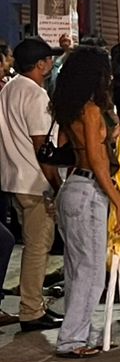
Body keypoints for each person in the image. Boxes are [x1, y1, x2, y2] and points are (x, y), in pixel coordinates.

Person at [51, 47, 120, 358]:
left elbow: (81, 147)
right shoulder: (92, 110)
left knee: (76, 270)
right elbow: (98, 163)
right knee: (91, 271)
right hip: (88, 191)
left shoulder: (69, 108)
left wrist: (109, 137)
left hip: (72, 187)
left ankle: (81, 331)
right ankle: (72, 339)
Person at [0, 37, 65, 331]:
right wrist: (55, 183)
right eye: (49, 60)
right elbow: (42, 147)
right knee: (39, 246)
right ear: (41, 64)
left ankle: (33, 305)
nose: (51, 65)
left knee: (33, 244)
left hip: (13, 176)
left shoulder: (10, 88)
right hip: (34, 180)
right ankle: (31, 309)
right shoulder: (36, 96)